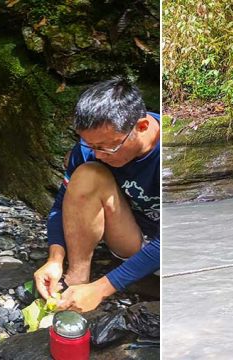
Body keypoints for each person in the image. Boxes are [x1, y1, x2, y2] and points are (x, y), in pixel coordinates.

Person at [32, 79, 161, 313]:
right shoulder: (90, 149)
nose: (98, 154)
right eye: (90, 145)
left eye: (106, 147)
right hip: (134, 238)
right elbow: (62, 204)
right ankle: (76, 281)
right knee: (87, 175)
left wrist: (102, 288)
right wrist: (55, 258)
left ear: (141, 127)